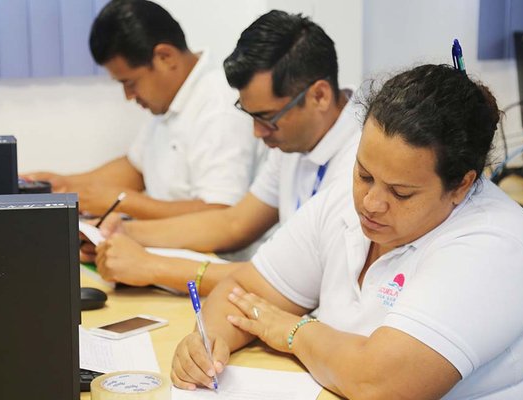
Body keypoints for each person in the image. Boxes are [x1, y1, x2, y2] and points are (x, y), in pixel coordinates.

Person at [170, 64, 523, 399]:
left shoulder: (496, 248)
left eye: (401, 193)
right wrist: (209, 342)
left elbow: (382, 385)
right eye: (364, 173)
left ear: (462, 185)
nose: (371, 203)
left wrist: (296, 331)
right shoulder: (347, 198)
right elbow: (246, 290)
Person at [90, 10, 361, 294]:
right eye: (250, 115)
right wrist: (125, 233)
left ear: (319, 96)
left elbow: (286, 280)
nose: (258, 132)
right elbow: (234, 223)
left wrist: (151, 266)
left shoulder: (360, 164)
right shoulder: (294, 138)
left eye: (267, 117)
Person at [24, 0, 261, 219]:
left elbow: (219, 212)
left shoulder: (220, 105)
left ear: (165, 57)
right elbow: (137, 168)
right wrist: (66, 186)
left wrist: (122, 202)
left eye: (130, 83)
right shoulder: (172, 99)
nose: (128, 96)